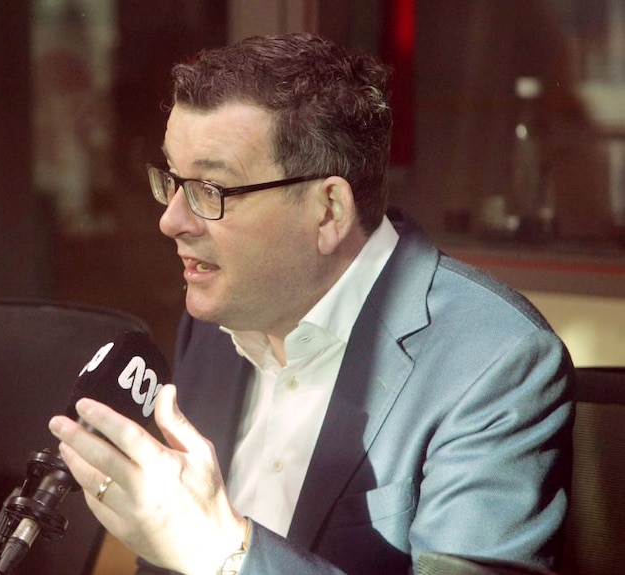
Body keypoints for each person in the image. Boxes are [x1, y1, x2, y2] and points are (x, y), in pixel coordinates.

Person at [49, 33, 574, 575]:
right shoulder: (213, 321)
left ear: (328, 210)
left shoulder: (497, 361)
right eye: (173, 182)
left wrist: (225, 552)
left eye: (210, 189)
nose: (171, 220)